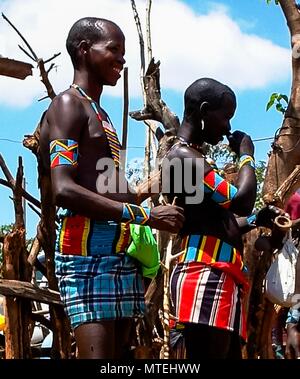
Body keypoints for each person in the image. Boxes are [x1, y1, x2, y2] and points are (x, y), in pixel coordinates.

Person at [39, 17, 184, 359]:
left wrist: (150, 189)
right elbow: (64, 189)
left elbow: (105, 186)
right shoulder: (67, 105)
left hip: (118, 247)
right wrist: (145, 216)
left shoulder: (96, 112)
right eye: (114, 50)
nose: (122, 60)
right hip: (87, 247)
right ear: (85, 50)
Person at [162, 77, 264, 359]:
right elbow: (242, 202)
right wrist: (246, 156)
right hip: (204, 276)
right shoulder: (182, 157)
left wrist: (259, 219)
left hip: (216, 274)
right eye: (226, 116)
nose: (229, 127)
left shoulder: (192, 156)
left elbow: (222, 224)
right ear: (205, 111)